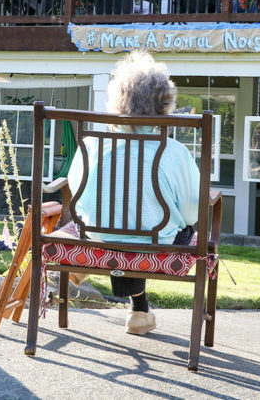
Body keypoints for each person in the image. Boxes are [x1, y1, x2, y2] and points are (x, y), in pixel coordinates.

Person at [65, 51, 200, 336]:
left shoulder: (93, 146)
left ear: (118, 100)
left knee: (128, 227)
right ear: (165, 103)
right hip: (155, 241)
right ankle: (139, 313)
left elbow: (76, 193)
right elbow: (192, 211)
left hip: (98, 237)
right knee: (168, 227)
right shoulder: (173, 152)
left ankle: (139, 311)